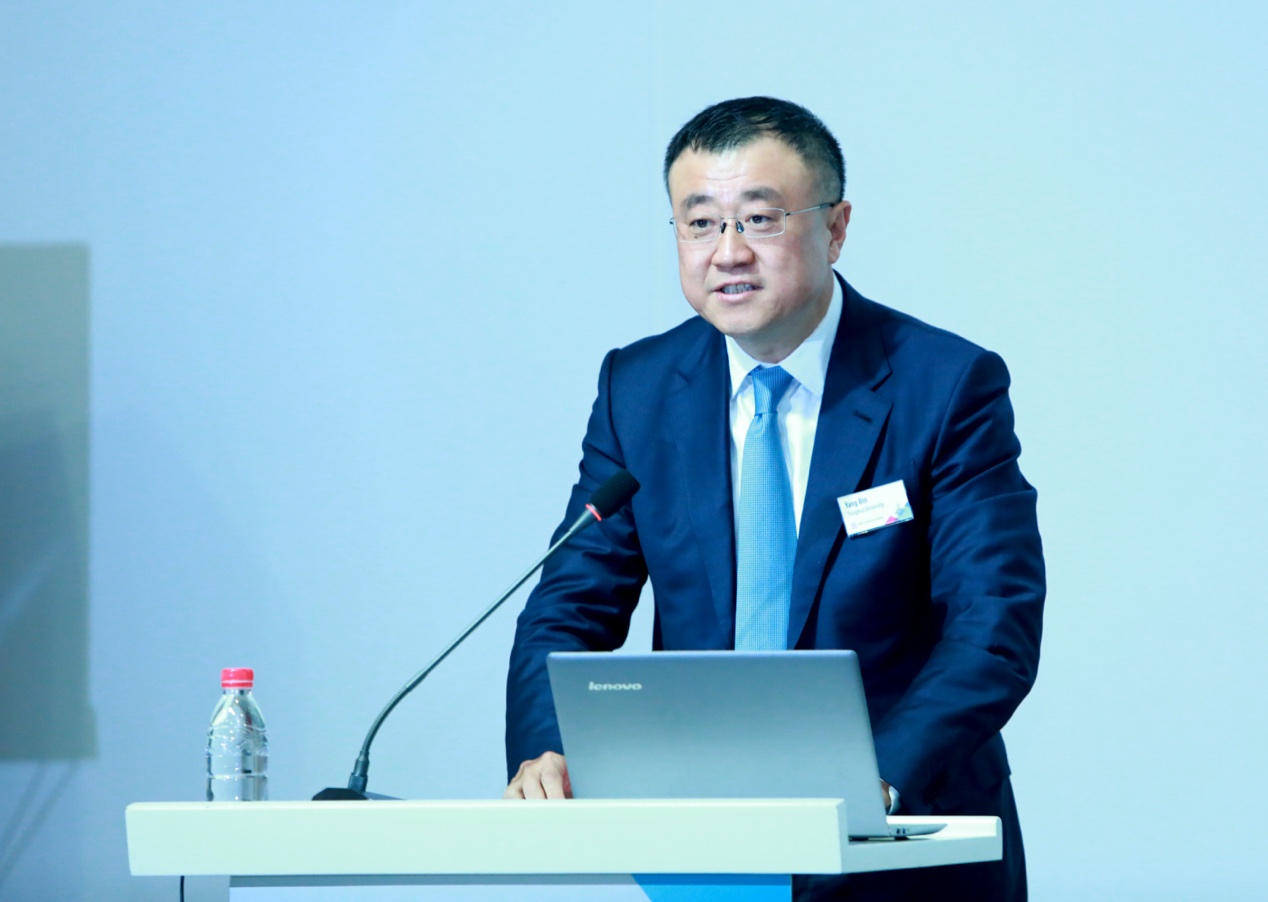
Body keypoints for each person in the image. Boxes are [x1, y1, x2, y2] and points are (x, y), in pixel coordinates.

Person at [503, 96, 1045, 901]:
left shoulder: (944, 384)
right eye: (699, 224)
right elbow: (566, 608)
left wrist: (875, 783)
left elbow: (992, 623)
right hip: (705, 847)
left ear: (836, 227)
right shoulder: (638, 389)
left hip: (904, 845)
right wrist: (549, 748)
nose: (728, 253)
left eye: (759, 219)